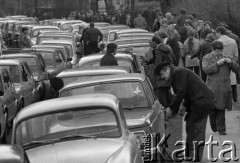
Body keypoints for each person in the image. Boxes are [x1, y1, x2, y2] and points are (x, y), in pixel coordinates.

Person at [155, 62, 215, 162]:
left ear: (167, 70)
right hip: (196, 101)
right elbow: (186, 91)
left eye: (162, 74)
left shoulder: (178, 73)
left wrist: (171, 108)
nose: (163, 77)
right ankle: (189, 154)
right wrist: (184, 105)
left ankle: (195, 155)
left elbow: (181, 92)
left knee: (197, 129)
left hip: (202, 102)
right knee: (190, 126)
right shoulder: (177, 73)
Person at [202, 41, 239, 135]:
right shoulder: (206, 58)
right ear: (213, 50)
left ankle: (222, 129)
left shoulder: (226, 57)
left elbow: (236, 69)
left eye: (221, 51)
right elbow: (206, 70)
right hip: (212, 87)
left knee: (221, 108)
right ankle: (214, 125)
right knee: (213, 109)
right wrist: (217, 64)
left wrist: (231, 63)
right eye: (217, 51)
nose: (219, 53)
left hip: (223, 87)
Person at [216, 26, 239, 105]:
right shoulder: (233, 41)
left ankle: (223, 100)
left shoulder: (217, 41)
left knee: (222, 83)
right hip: (231, 62)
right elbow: (236, 54)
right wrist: (233, 63)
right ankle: (235, 98)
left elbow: (216, 54)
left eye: (216, 33)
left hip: (221, 63)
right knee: (233, 82)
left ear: (219, 32)